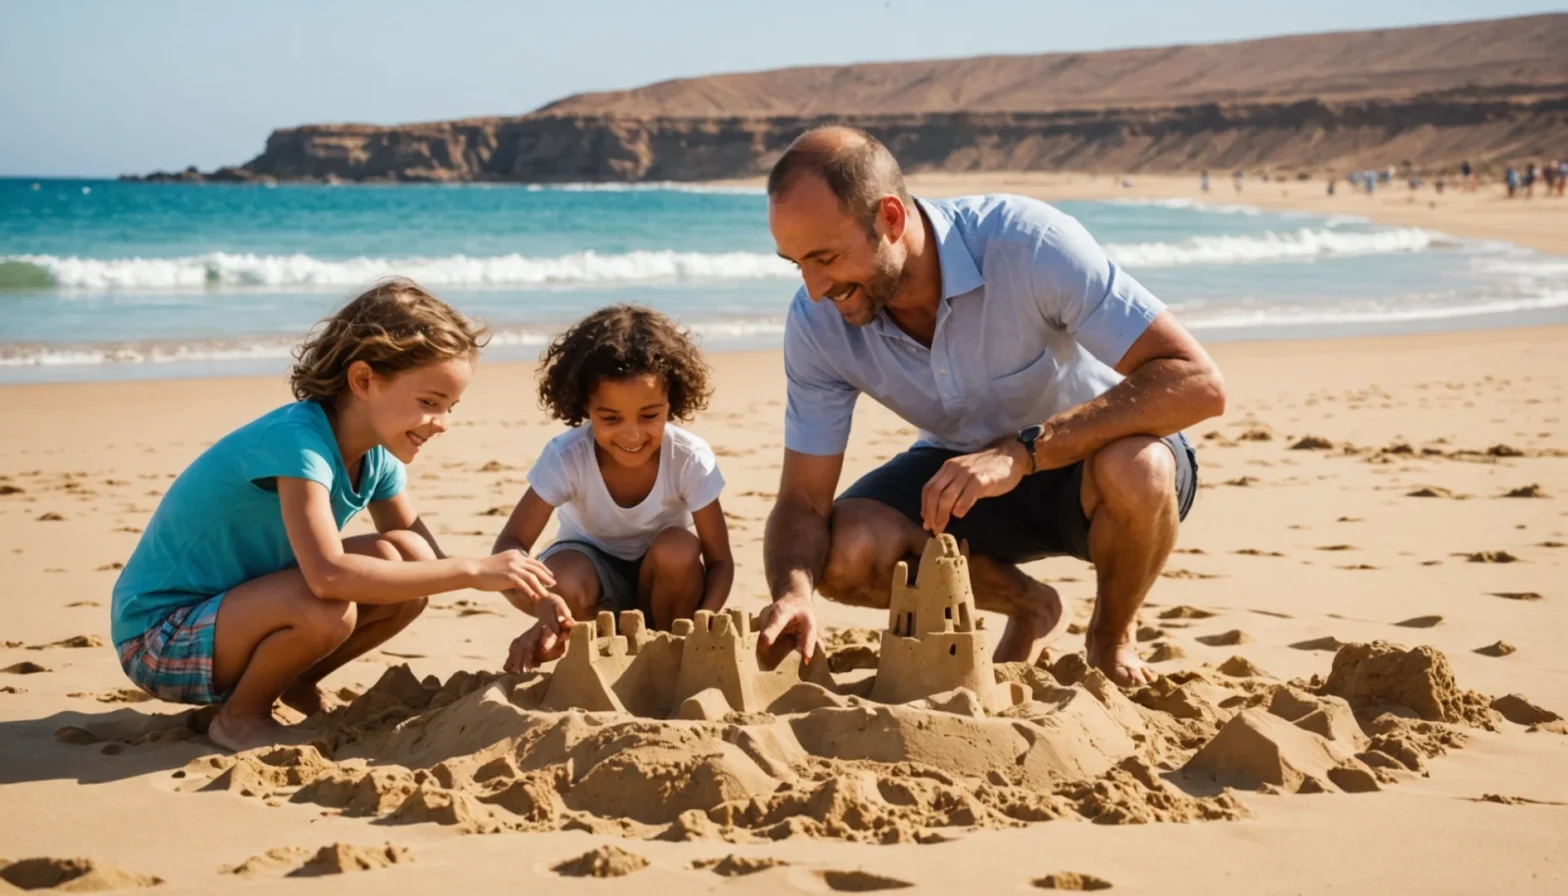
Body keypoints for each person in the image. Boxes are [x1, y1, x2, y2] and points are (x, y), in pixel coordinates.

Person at [756, 127, 1223, 687]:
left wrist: (1023, 452)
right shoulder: (817, 323)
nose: (813, 288)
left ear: (891, 219)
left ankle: (1110, 638)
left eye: (825, 258)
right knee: (844, 552)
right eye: (797, 263)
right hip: (963, 473)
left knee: (1139, 468)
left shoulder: (1027, 244)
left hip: (1099, 460)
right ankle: (1032, 607)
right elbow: (803, 501)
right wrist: (793, 592)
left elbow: (1197, 381)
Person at [110, 279, 541, 751]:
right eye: (428, 403)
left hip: (232, 619)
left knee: (409, 556)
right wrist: (473, 569)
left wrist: (538, 604)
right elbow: (328, 576)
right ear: (363, 380)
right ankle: (241, 716)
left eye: (449, 407)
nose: (441, 423)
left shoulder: (375, 456)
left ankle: (291, 680)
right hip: (159, 638)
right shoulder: (298, 443)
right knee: (324, 606)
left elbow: (428, 560)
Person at [493, 305, 734, 672]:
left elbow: (719, 562)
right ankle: (595, 652)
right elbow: (510, 548)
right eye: (610, 418)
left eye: (650, 415)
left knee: (679, 548)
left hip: (666, 591)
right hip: (589, 584)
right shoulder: (566, 457)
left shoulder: (688, 458)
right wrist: (545, 605)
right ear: (584, 405)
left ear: (673, 401)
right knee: (564, 576)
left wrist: (702, 624)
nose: (633, 434)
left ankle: (664, 655)